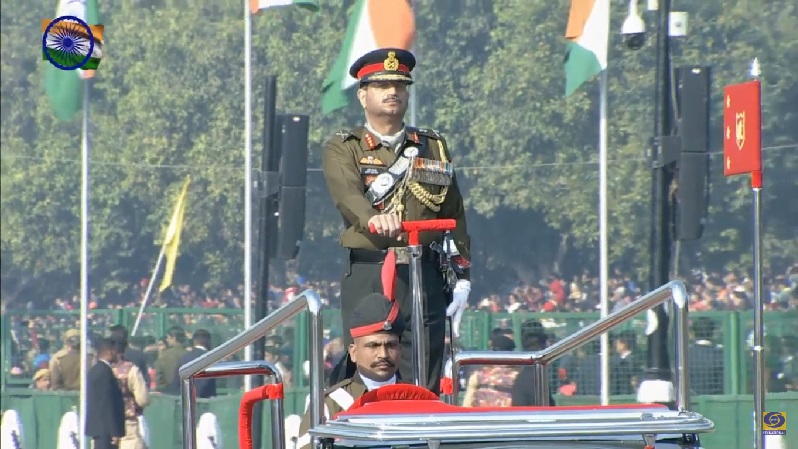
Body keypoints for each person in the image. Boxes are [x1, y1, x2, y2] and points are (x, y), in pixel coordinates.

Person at [323, 47, 472, 394]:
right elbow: (348, 197)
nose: (393, 92)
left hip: (424, 272)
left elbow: (454, 213)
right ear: (363, 95)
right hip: (371, 270)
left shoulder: (432, 145)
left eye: (400, 85)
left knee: (425, 370)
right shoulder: (345, 147)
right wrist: (373, 218)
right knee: (370, 368)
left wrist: (463, 274)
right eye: (381, 85)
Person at [296, 292, 405, 449]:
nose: (383, 354)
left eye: (391, 345)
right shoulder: (329, 405)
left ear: (400, 350)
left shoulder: (419, 401)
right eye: (373, 346)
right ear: (354, 352)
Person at [110, 335, 150, 449]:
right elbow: (143, 400)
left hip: (104, 423)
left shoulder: (99, 368)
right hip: (127, 422)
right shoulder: (130, 369)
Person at [85, 338, 125, 449]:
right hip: (105, 429)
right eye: (116, 351)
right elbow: (106, 403)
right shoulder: (104, 372)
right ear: (109, 352)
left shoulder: (97, 370)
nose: (118, 354)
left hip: (100, 428)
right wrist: (113, 431)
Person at [171, 329, 216, 398]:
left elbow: (176, 382)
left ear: (194, 341)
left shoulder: (183, 358)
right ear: (209, 341)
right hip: (207, 402)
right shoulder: (213, 358)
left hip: (186, 401)